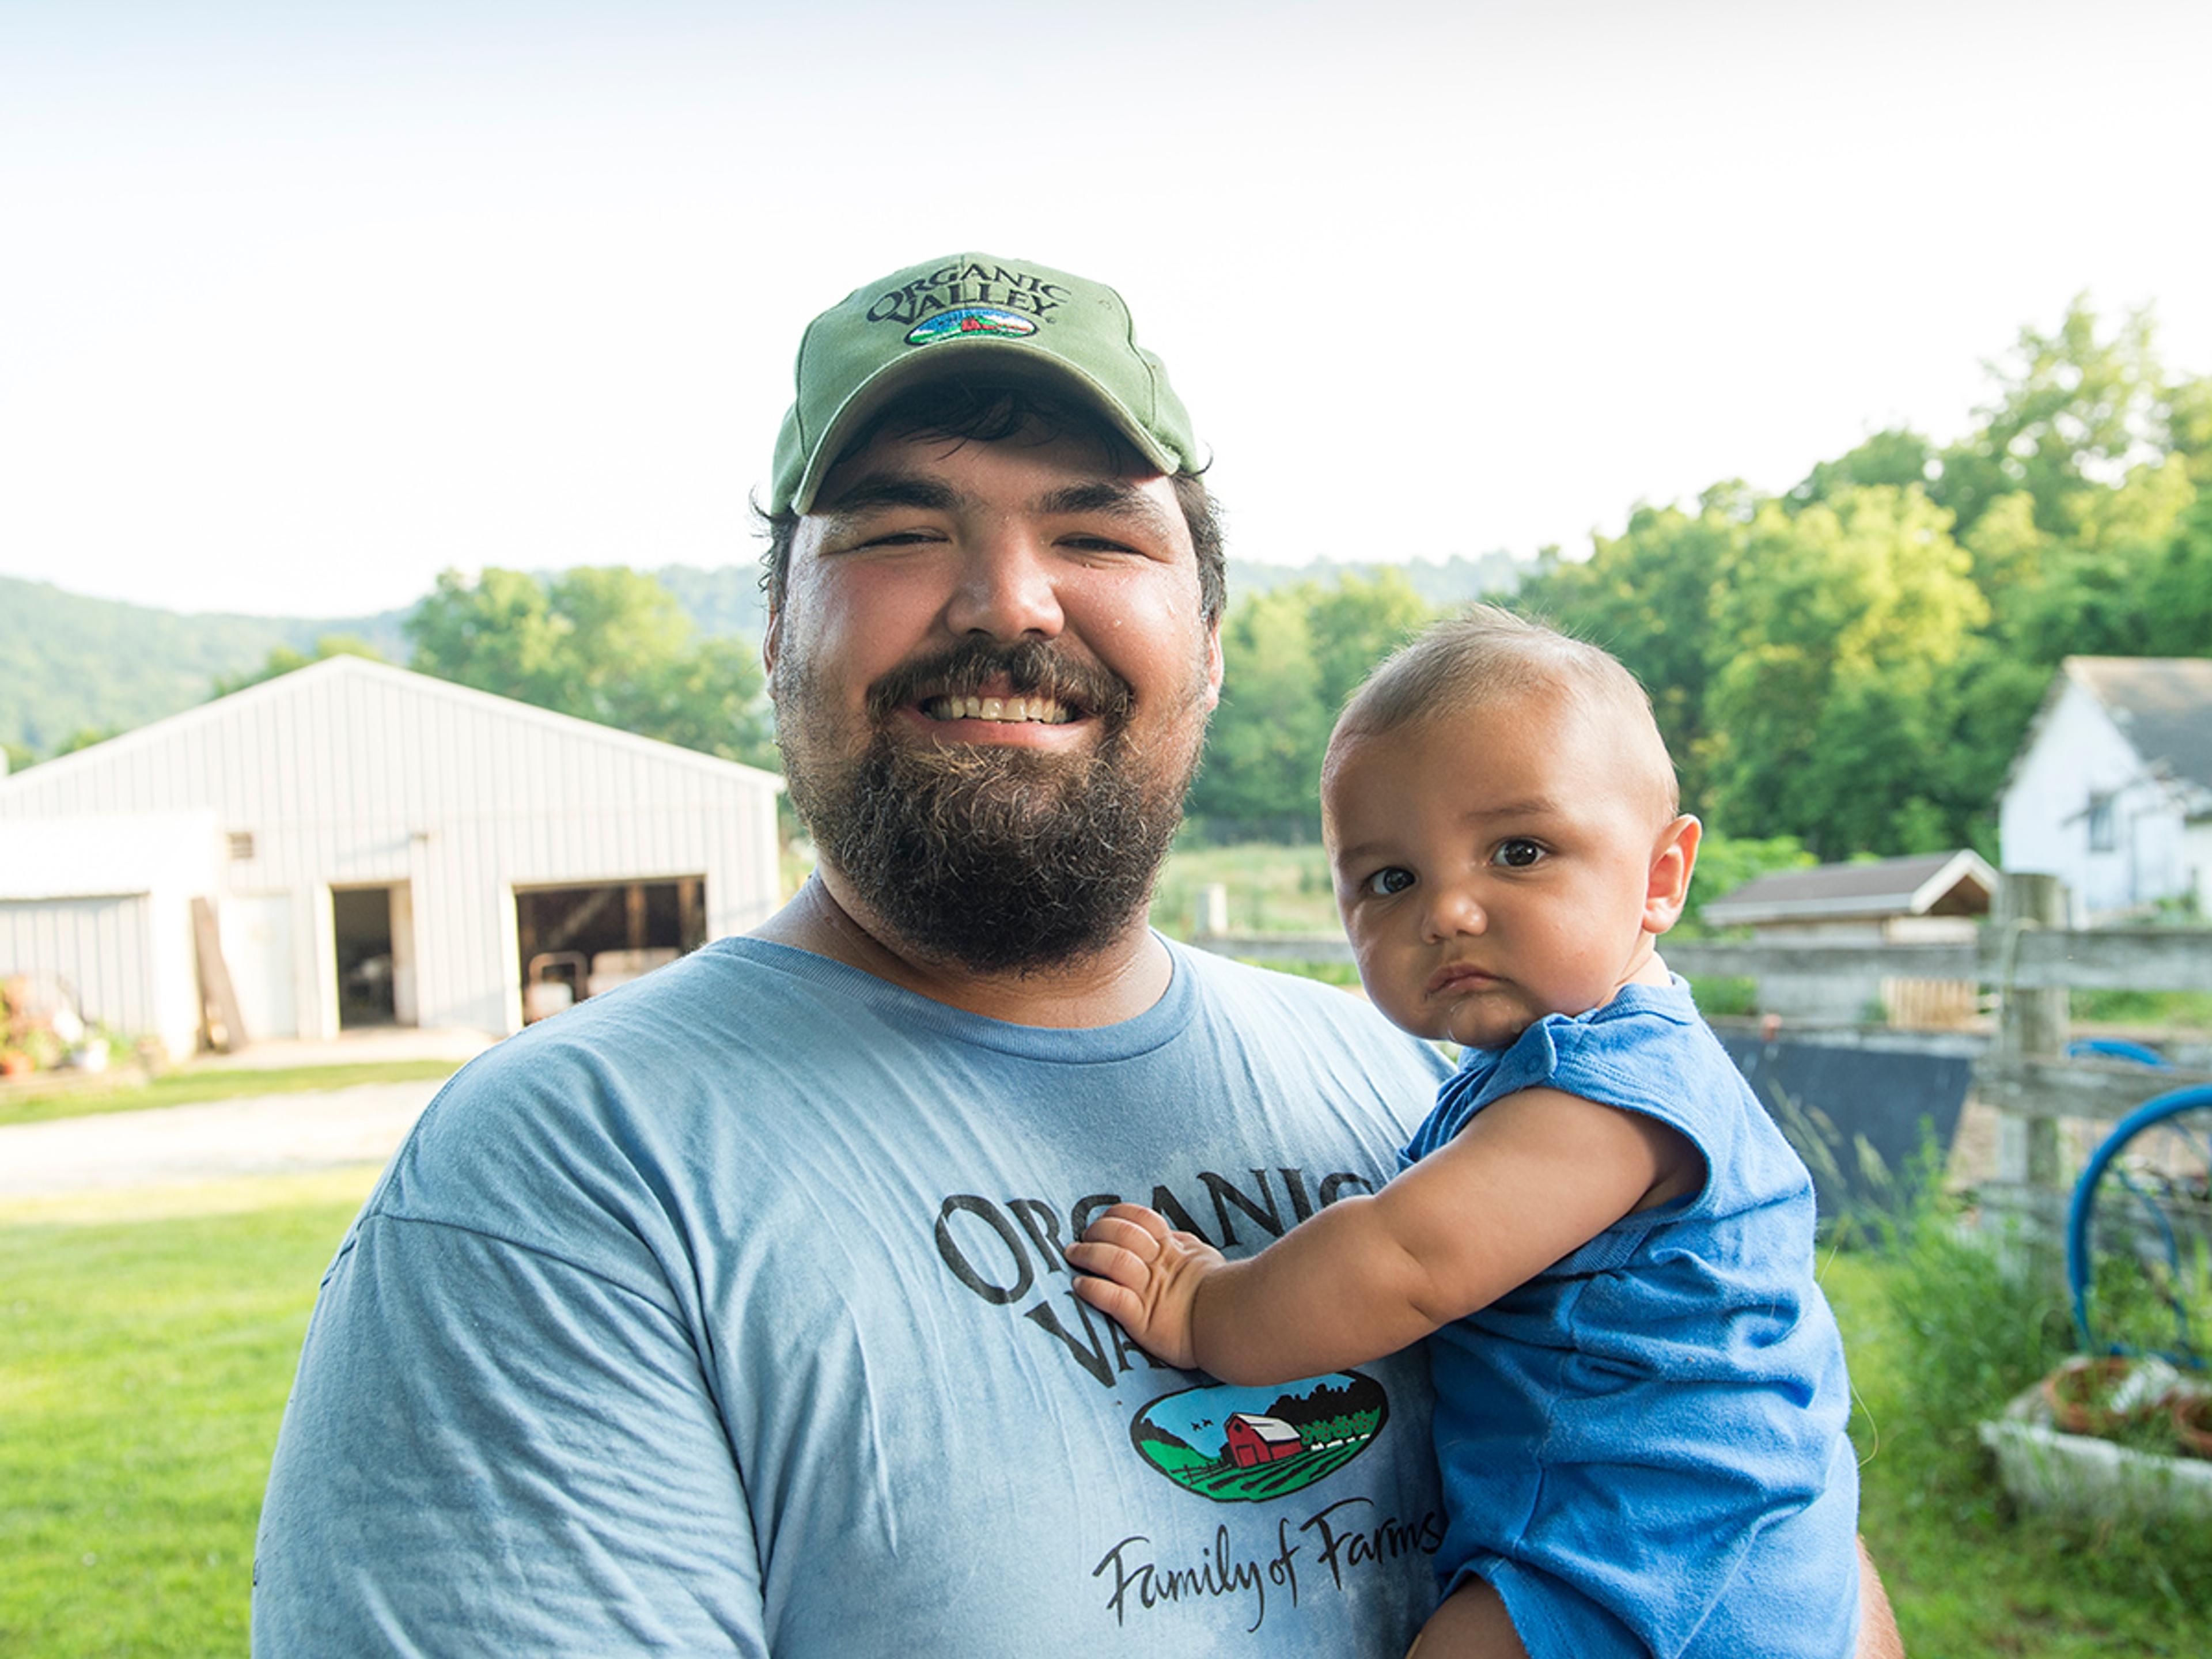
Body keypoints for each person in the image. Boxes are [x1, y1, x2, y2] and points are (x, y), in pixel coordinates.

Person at [250, 253, 1460, 1655]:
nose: (1009, 603)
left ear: (1210, 638)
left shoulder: (1416, 1088)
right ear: (776, 633)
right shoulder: (571, 1179)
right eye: (896, 532)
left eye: (1099, 536)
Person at [1070, 607, 1869, 1659]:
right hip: (1668, 1538)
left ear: (1662, 878)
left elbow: (1405, 1259)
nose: (1447, 909)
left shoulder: (1615, 1094)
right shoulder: (1543, 1070)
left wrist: (1205, 1305)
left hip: (1659, 1554)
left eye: (1520, 851)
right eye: (1390, 880)